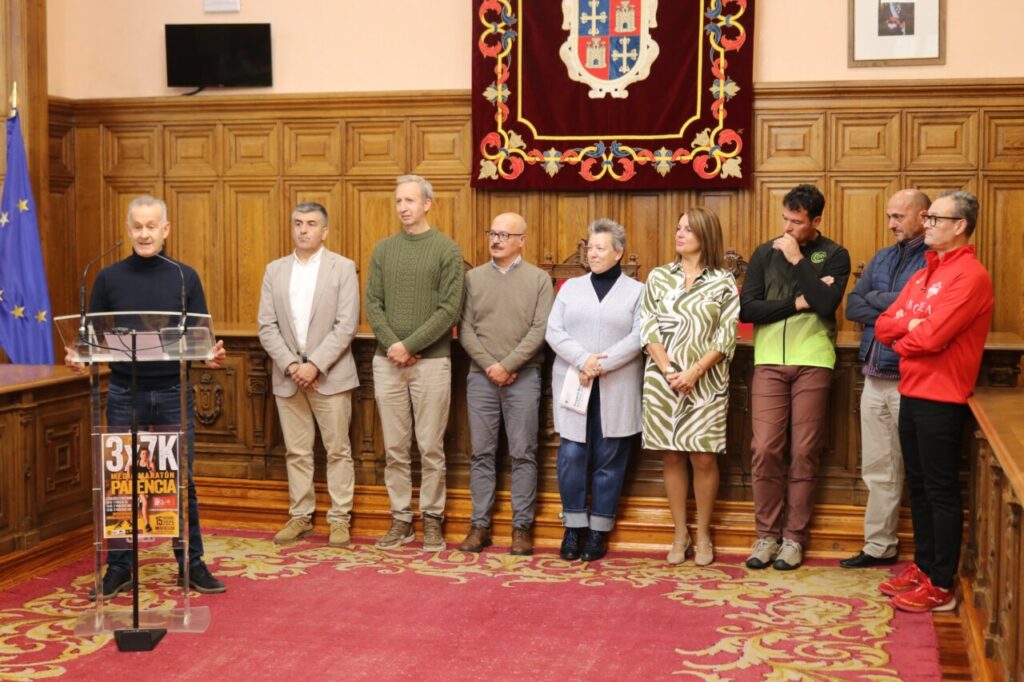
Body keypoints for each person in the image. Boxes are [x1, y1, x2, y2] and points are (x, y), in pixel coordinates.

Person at [67, 195, 227, 598]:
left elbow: (201, 339)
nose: (143, 233)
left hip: (173, 392)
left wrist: (209, 355)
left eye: (151, 226)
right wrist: (80, 357)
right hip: (124, 393)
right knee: (121, 482)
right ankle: (120, 567)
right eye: (137, 226)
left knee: (180, 480)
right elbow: (91, 342)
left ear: (165, 229)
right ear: (128, 229)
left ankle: (190, 562)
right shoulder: (105, 277)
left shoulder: (183, 277)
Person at [875, 190, 992, 612]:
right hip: (913, 390)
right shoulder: (924, 272)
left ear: (960, 226)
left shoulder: (970, 275)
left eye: (935, 220)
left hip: (943, 398)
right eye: (926, 219)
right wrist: (912, 323)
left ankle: (941, 583)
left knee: (941, 490)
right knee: (919, 487)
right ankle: (924, 568)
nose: (927, 226)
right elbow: (885, 324)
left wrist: (911, 329)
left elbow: (931, 337)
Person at [739, 184, 851, 571]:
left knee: (804, 450)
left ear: (816, 220)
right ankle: (766, 535)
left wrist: (799, 260)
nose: (787, 228)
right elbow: (749, 309)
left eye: (797, 222)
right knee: (765, 448)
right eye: (785, 219)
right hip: (769, 360)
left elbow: (825, 305)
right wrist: (796, 302)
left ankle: (793, 540)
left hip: (813, 360)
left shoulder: (834, 255)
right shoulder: (763, 253)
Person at [364, 174, 464, 552]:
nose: (403, 207)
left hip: (432, 362)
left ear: (427, 204)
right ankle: (401, 520)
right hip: (387, 362)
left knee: (430, 446)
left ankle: (433, 519)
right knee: (395, 448)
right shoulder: (384, 250)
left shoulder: (446, 250)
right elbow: (373, 303)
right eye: (398, 201)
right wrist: (395, 346)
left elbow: (449, 310)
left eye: (409, 200)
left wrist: (411, 345)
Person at [258, 202, 360, 548]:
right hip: (288, 377)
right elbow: (266, 326)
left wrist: (314, 365)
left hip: (330, 376)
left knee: (337, 450)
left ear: (324, 231)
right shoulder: (275, 270)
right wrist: (292, 366)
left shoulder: (343, 268)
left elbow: (346, 326)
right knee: (297, 452)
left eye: (311, 224)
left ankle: (339, 518)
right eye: (298, 223)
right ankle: (300, 515)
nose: (303, 229)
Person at [641, 207, 739, 567]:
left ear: (705, 235)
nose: (679, 234)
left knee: (702, 456)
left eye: (687, 229)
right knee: (670, 454)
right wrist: (669, 370)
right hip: (662, 380)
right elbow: (647, 328)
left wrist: (694, 372)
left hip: (705, 380)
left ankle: (703, 533)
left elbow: (726, 335)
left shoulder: (722, 281)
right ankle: (680, 531)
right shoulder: (658, 277)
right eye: (677, 227)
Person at [840, 189, 930, 569]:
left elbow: (924, 312)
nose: (891, 223)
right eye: (890, 216)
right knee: (877, 465)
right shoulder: (882, 257)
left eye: (899, 216)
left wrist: (882, 302)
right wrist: (895, 306)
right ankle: (879, 545)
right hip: (873, 376)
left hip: (910, 378)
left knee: (919, 471)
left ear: (924, 216)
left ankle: (925, 557)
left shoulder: (934, 262)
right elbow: (852, 306)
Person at [546, 218, 643, 563]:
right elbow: (554, 331)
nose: (593, 252)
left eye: (601, 247)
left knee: (609, 457)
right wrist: (584, 360)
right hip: (576, 381)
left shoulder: (638, 291)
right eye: (590, 246)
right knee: (572, 455)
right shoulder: (570, 288)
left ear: (618, 253)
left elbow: (638, 337)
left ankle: (599, 530)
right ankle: (573, 526)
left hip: (616, 384)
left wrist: (602, 364)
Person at [457, 212, 553, 556]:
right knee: (482, 453)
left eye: (504, 234)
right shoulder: (472, 279)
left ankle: (521, 527)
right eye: (492, 233)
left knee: (523, 454)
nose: (496, 240)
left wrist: (509, 365)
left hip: (524, 377)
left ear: (521, 241)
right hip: (481, 378)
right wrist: (490, 366)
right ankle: (480, 525)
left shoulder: (539, 280)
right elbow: (464, 329)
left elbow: (540, 329)